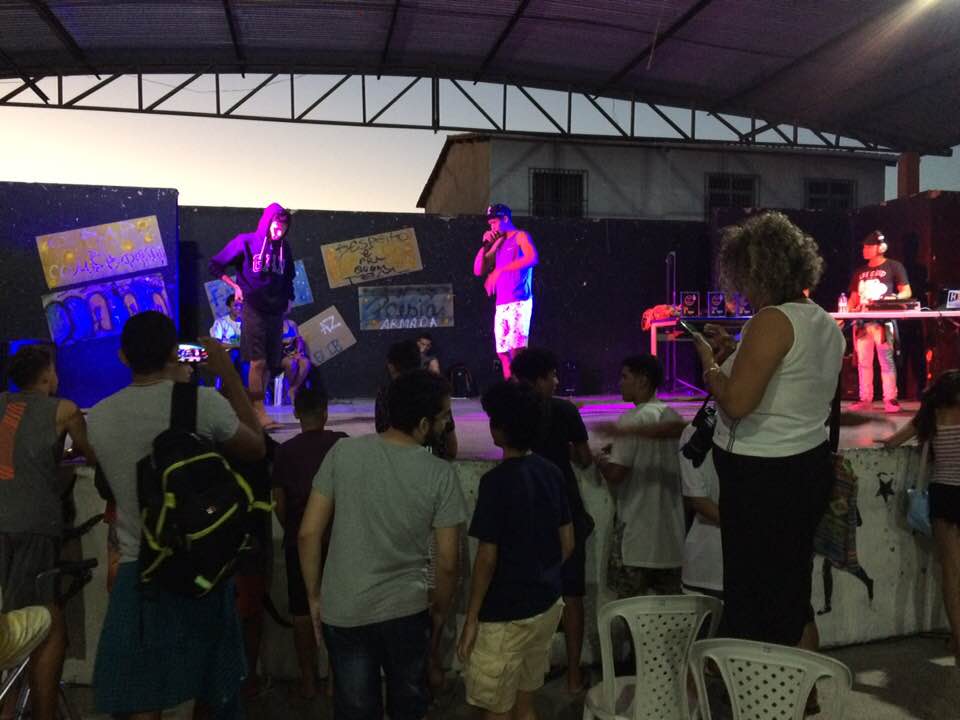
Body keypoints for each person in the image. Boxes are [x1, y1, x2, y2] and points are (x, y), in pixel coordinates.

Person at [86, 311, 265, 719]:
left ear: (123, 357)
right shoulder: (202, 403)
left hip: (139, 572)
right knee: (215, 693)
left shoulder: (100, 416)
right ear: (174, 353)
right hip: (201, 569)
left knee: (140, 699)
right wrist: (227, 373)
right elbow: (256, 447)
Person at [692, 211, 844, 656]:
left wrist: (709, 364)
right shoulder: (823, 321)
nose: (742, 290)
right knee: (792, 594)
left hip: (763, 477)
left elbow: (738, 403)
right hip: (805, 466)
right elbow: (787, 385)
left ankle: (758, 684)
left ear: (759, 272)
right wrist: (734, 355)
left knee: (753, 597)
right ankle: (803, 687)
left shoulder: (772, 320)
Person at [298, 370, 467, 720]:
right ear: (423, 424)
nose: (446, 424)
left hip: (344, 610)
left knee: (356, 708)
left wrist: (314, 598)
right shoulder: (440, 475)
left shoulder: (343, 452)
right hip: (407, 612)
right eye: (443, 417)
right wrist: (438, 614)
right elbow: (449, 563)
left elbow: (308, 534)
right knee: (408, 706)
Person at [458, 380, 573, 720]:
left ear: (500, 429)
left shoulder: (495, 483)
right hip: (546, 605)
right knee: (525, 704)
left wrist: (471, 618)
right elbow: (567, 543)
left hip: (505, 615)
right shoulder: (551, 472)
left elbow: (486, 558)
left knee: (497, 709)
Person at [0, 344, 96, 720]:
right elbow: (91, 454)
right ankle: (39, 712)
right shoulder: (65, 410)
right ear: (47, 376)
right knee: (42, 618)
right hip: (35, 525)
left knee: (9, 616)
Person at [510, 348, 591, 694]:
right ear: (540, 378)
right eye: (553, 375)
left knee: (529, 593)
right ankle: (573, 676)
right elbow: (585, 459)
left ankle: (530, 676)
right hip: (564, 508)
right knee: (572, 594)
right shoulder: (564, 410)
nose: (557, 381)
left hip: (526, 510)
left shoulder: (512, 412)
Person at [272, 374, 346, 699]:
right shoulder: (341, 443)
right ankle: (336, 681)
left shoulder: (285, 452)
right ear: (326, 412)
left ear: (296, 414)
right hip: (337, 540)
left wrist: (293, 528)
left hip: (298, 542)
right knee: (339, 612)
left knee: (302, 613)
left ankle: (308, 680)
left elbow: (279, 502)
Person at [879, 370, 960, 664]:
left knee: (951, 572)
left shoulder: (929, 417)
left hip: (944, 495)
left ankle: (958, 638)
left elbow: (893, 441)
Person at [596, 355, 685, 596]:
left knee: (629, 610)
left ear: (643, 380)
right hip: (672, 540)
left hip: (636, 540)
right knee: (669, 613)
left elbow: (617, 473)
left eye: (625, 376)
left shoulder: (631, 419)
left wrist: (600, 461)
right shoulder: (673, 416)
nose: (620, 383)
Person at [209, 202, 295, 428]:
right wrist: (235, 287)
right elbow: (215, 265)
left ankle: (259, 409)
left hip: (276, 310)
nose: (279, 231)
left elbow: (289, 277)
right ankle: (258, 412)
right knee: (258, 361)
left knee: (270, 363)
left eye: (283, 227)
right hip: (254, 307)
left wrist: (290, 299)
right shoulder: (246, 242)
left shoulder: (285, 248)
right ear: (267, 222)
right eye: (276, 225)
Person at [848, 230, 912, 413]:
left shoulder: (894, 266)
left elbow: (906, 292)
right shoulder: (859, 272)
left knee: (886, 360)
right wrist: (848, 312)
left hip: (884, 321)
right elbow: (853, 298)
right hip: (862, 322)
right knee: (863, 362)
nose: (864, 250)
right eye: (864, 247)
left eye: (868, 247)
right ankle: (865, 398)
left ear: (880, 247)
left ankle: (890, 399)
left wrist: (894, 298)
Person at [472, 204, 539, 379]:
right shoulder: (499, 242)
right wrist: (485, 246)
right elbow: (478, 270)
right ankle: (511, 389)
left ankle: (523, 388)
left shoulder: (520, 236)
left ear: (505, 219)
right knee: (502, 353)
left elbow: (532, 257)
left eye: (494, 222)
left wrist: (500, 270)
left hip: (519, 300)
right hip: (502, 303)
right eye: (490, 224)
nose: (492, 227)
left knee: (517, 352)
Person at [375, 339, 457, 460]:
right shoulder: (437, 390)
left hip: (397, 460)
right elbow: (451, 448)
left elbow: (382, 431)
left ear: (391, 366)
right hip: (433, 461)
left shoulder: (385, 394)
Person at [678, 424, 722, 598]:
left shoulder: (694, 430)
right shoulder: (696, 431)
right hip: (708, 564)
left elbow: (698, 500)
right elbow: (698, 501)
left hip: (705, 562)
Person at [280, 314, 311, 404]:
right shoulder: (272, 324)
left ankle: (292, 390)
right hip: (280, 355)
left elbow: (299, 340)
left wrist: (298, 352)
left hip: (293, 353)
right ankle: (285, 391)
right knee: (291, 363)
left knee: (305, 363)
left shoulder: (291, 323)